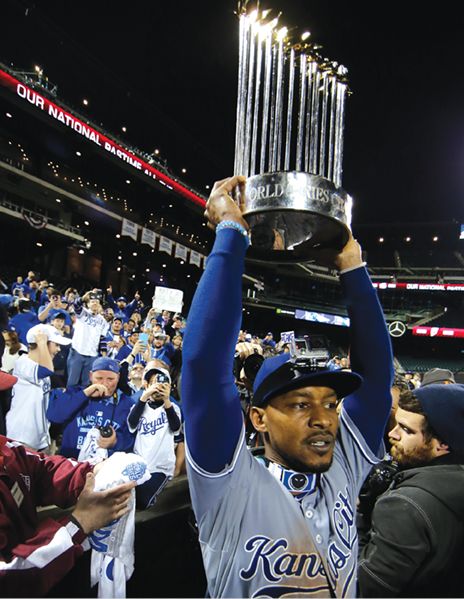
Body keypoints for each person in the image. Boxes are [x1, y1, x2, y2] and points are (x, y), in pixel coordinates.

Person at [181, 176, 393, 597]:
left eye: (331, 404)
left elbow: (375, 379)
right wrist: (230, 236)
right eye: (299, 404)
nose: (323, 419)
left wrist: (353, 267)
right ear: (258, 418)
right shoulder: (229, 486)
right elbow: (205, 367)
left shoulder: (342, 467)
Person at [358, 385, 464, 597]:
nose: (392, 434)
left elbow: (364, 589)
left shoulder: (403, 504)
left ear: (442, 444)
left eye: (406, 429)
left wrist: (361, 516)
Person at [0, 433, 135, 596]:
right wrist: (79, 523)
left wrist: (94, 472)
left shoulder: (6, 450)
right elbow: (8, 580)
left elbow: (41, 468)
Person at [47, 357, 136, 459]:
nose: (104, 384)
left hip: (103, 468)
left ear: (118, 377)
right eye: (99, 378)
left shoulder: (128, 404)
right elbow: (55, 416)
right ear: (90, 376)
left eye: (110, 379)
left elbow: (132, 441)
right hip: (71, 463)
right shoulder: (74, 393)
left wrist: (116, 442)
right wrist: (85, 394)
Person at [6, 324, 72, 453]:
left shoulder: (41, 369)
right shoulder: (24, 363)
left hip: (38, 437)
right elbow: (47, 370)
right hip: (21, 437)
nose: (58, 349)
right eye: (56, 345)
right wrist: (41, 343)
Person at [127, 365, 181, 508]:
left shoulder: (173, 407)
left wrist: (167, 400)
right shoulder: (139, 406)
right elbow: (132, 423)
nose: (158, 387)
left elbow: (176, 427)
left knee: (142, 502)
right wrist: (144, 396)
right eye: (154, 383)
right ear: (147, 385)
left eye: (163, 383)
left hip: (160, 466)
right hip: (140, 464)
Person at [67, 291, 110, 387]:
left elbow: (102, 339)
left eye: (97, 302)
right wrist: (82, 298)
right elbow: (75, 304)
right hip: (77, 352)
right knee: (72, 383)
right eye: (92, 301)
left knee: (86, 385)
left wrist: (104, 355)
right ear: (88, 304)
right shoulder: (82, 313)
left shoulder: (103, 321)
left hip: (92, 355)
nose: (95, 303)